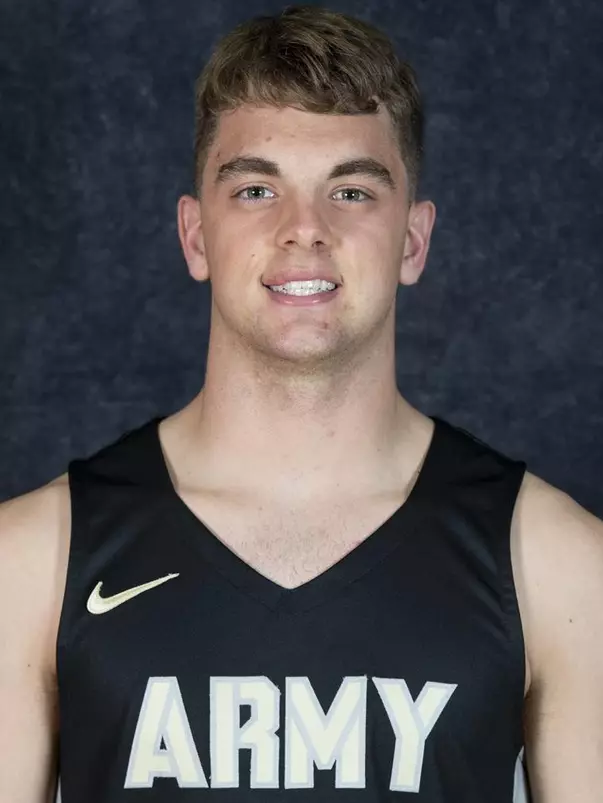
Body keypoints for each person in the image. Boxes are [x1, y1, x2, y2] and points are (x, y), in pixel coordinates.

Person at [1, 5, 602, 802]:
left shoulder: (556, 563)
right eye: (255, 189)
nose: (303, 230)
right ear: (195, 236)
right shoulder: (33, 560)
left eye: (351, 191)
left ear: (413, 242)